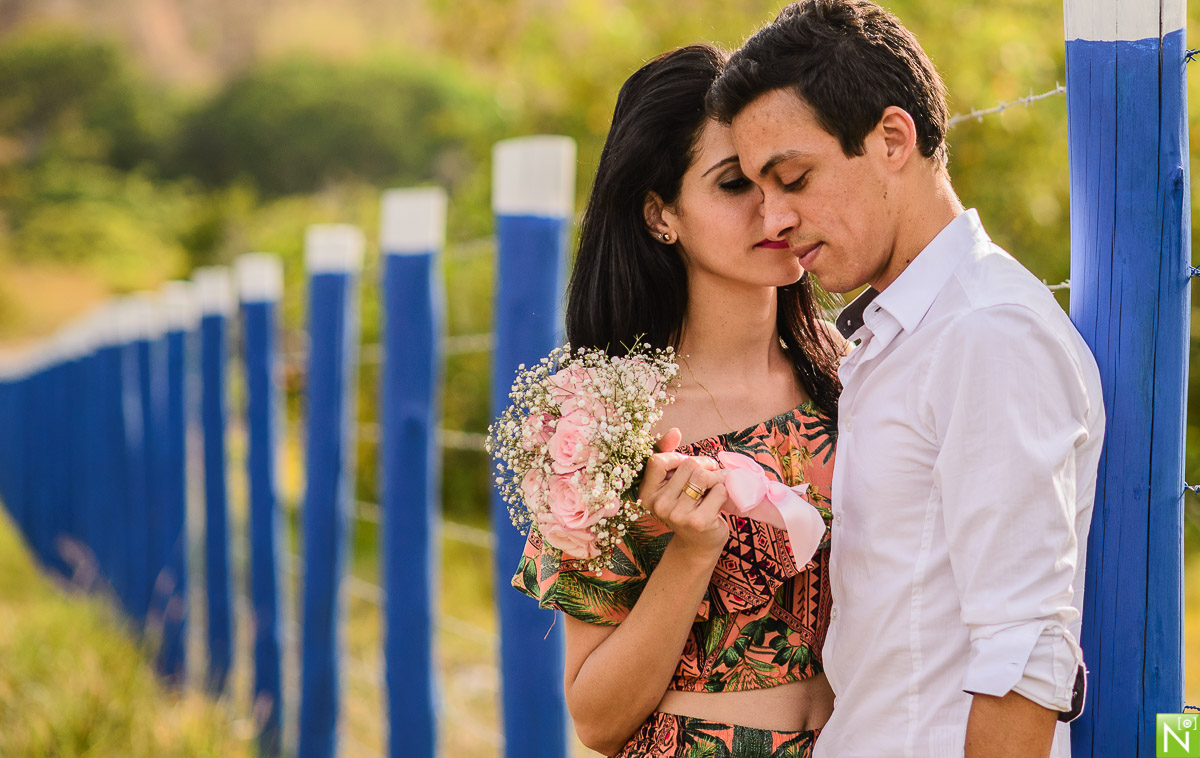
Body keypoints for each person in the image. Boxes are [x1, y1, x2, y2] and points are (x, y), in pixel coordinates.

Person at [707, 2, 1105, 757]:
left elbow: (1026, 658)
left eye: (794, 178)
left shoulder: (986, 333)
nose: (776, 219)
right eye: (760, 189)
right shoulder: (896, 334)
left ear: (894, 138)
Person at [509, 44, 846, 757]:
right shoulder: (603, 422)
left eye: (780, 175)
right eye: (733, 184)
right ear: (661, 215)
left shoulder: (857, 375)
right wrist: (691, 556)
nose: (774, 206)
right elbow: (596, 722)